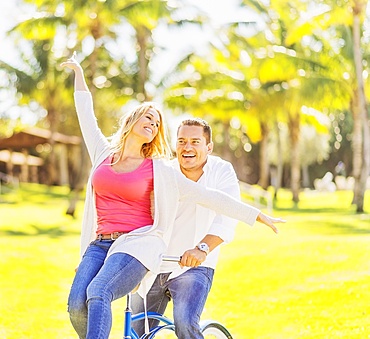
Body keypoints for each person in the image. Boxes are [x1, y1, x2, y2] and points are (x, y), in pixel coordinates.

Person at [60, 52, 284, 339]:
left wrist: (257, 215)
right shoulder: (103, 154)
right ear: (131, 121)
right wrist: (79, 73)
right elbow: (86, 116)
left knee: (102, 291)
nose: (153, 125)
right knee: (78, 304)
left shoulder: (159, 170)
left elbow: (210, 197)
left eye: (156, 124)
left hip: (138, 245)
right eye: (148, 118)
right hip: (101, 244)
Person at [131, 118, 247, 338]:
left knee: (185, 323)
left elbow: (228, 215)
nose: (187, 147)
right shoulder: (163, 171)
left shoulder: (221, 171)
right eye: (182, 141)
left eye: (195, 141)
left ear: (208, 147)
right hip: (154, 263)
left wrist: (201, 249)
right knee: (137, 331)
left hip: (194, 266)